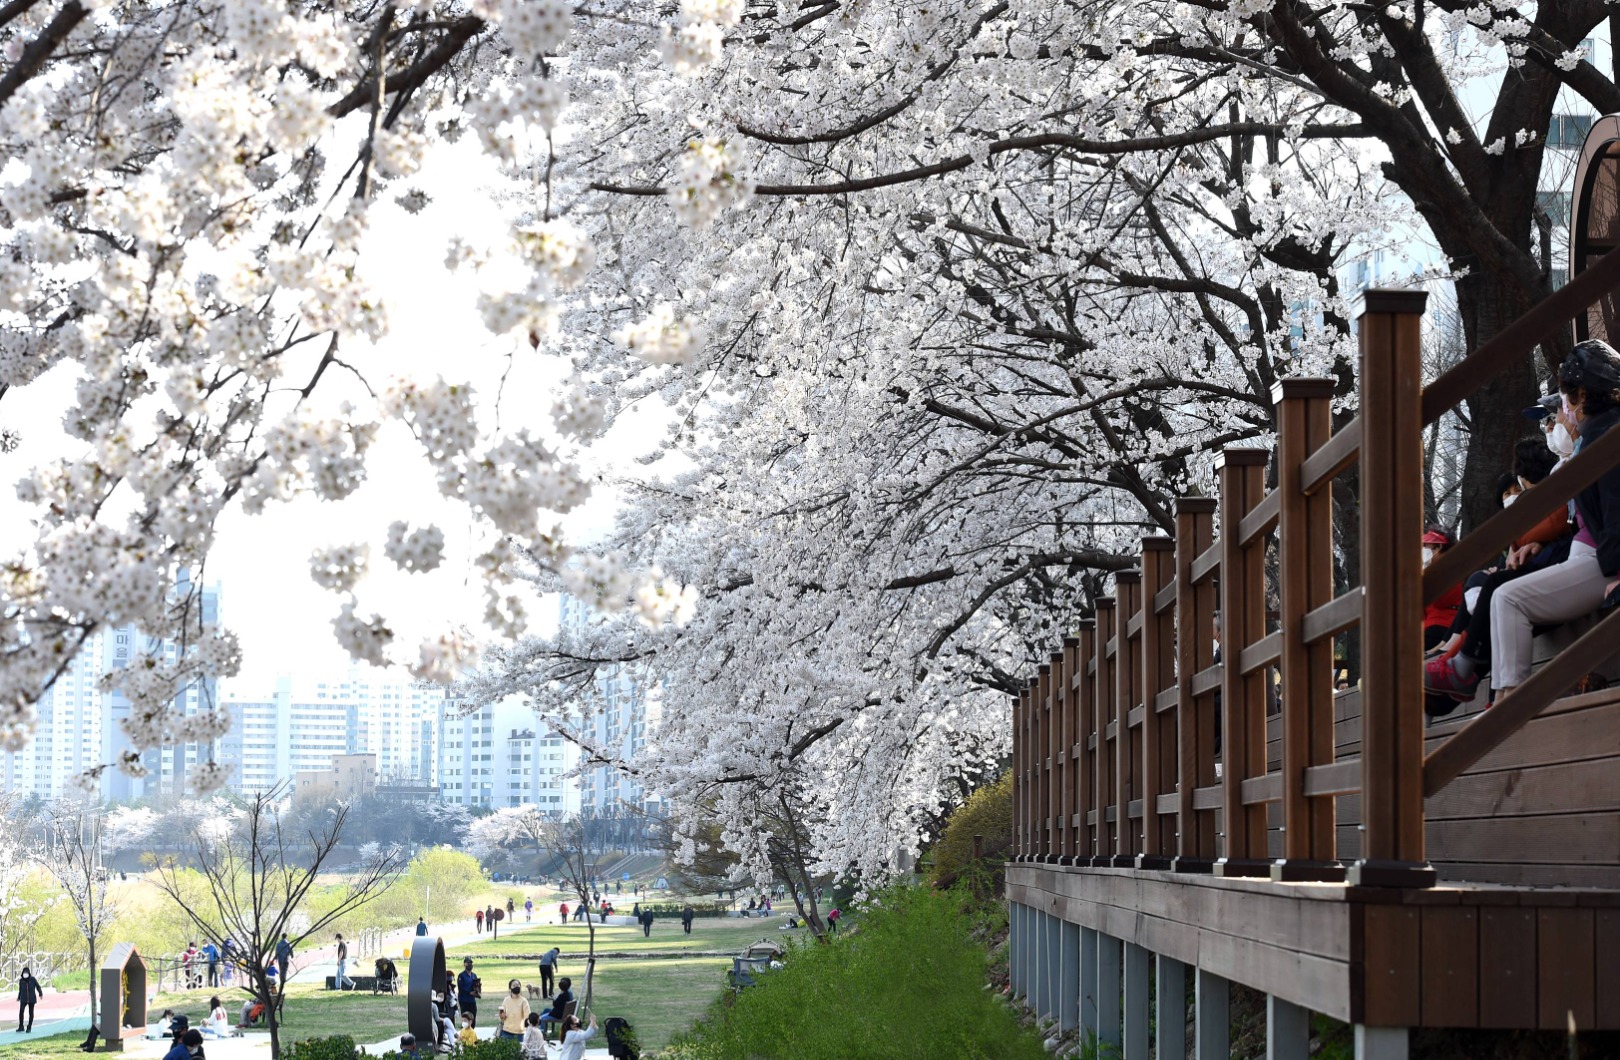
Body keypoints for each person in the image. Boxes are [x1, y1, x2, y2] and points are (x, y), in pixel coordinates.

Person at [1485, 343, 1620, 699]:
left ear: (1583, 395)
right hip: (1594, 557)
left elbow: (1616, 514)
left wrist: (1617, 573)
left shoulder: (1604, 439)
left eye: (1564, 400)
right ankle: (1502, 705)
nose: (1561, 414)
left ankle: (1507, 708)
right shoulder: (1596, 438)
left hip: (1602, 562)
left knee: (1507, 599)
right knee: (1502, 596)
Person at [456, 957, 481, 1026]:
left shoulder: (474, 975)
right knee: (465, 1017)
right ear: (464, 964)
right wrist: (469, 993)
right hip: (464, 1000)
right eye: (468, 963)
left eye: (471, 963)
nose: (470, 965)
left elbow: (476, 985)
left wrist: (477, 991)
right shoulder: (461, 976)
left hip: (472, 1000)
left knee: (473, 1017)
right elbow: (461, 988)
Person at [16, 966, 40, 1032]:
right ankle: (21, 1026)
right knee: (21, 1011)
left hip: (31, 999)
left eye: (26, 972)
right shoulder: (21, 981)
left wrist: (40, 993)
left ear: (29, 973)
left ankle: (29, 1027)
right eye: (24, 972)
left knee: (31, 1013)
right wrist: (18, 997)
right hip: (23, 998)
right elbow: (20, 989)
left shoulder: (32, 979)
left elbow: (38, 986)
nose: (25, 974)